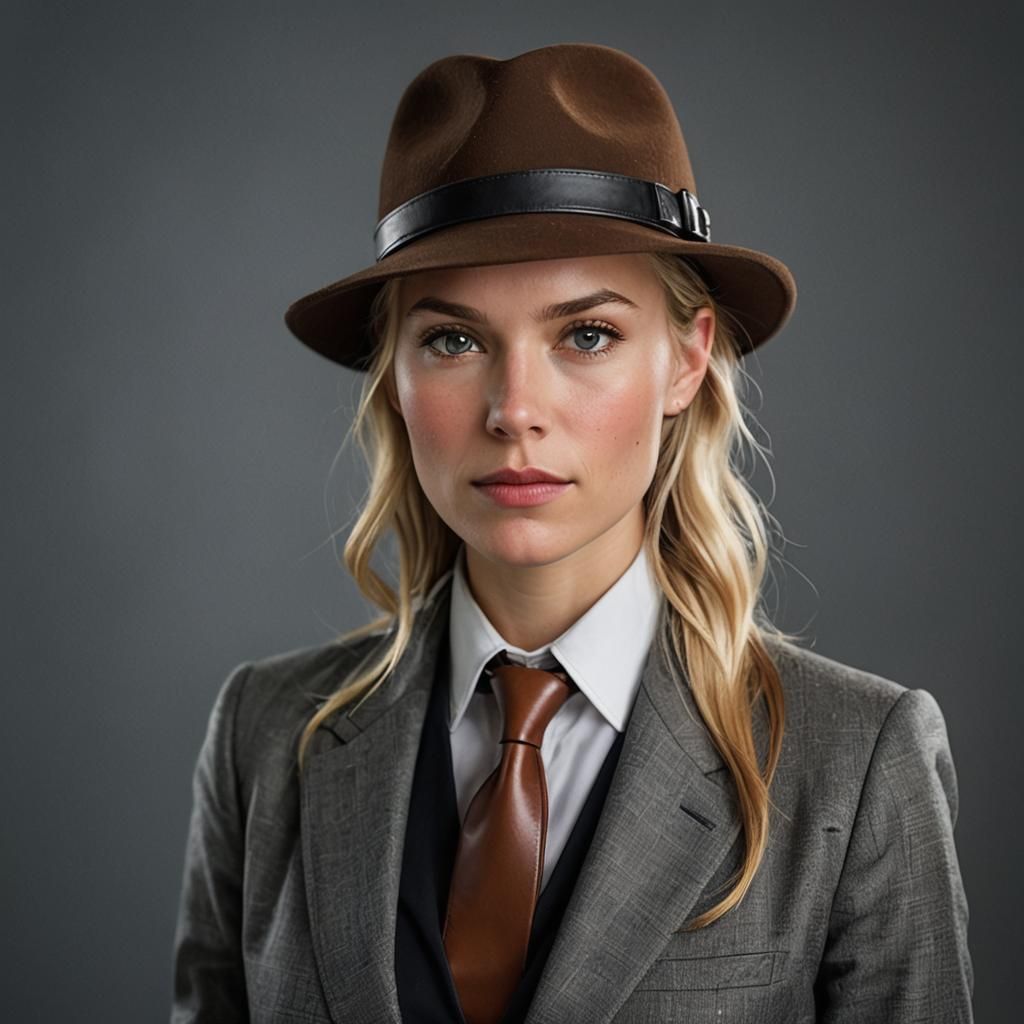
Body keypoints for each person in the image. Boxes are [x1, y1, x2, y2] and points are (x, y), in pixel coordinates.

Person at [170, 43, 973, 1023]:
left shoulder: (857, 763)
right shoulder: (264, 734)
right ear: (393, 374)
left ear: (686, 359)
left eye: (585, 334)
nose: (515, 408)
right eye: (452, 339)